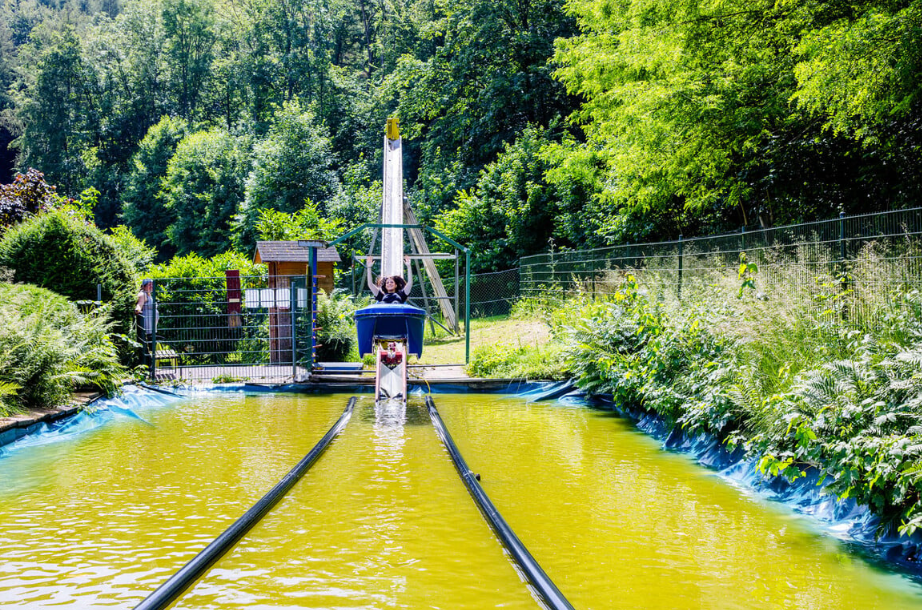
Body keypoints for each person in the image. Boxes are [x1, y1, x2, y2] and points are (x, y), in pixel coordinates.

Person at [135, 278, 159, 368]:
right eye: (149, 284)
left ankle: (150, 366)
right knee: (148, 346)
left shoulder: (149, 294)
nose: (151, 286)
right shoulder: (143, 295)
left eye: (152, 284)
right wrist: (137, 310)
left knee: (151, 346)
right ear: (144, 286)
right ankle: (148, 367)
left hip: (151, 326)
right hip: (147, 326)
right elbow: (139, 305)